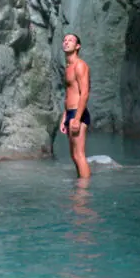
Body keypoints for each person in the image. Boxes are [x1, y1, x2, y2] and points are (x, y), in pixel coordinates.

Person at [59, 33, 91, 178]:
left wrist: (77, 118)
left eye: (70, 40)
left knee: (79, 155)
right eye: (64, 40)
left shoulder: (80, 65)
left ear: (77, 46)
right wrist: (64, 118)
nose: (66, 42)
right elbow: (69, 94)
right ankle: (79, 188)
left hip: (79, 113)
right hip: (70, 113)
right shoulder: (68, 68)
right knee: (73, 156)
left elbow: (84, 93)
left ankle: (84, 192)